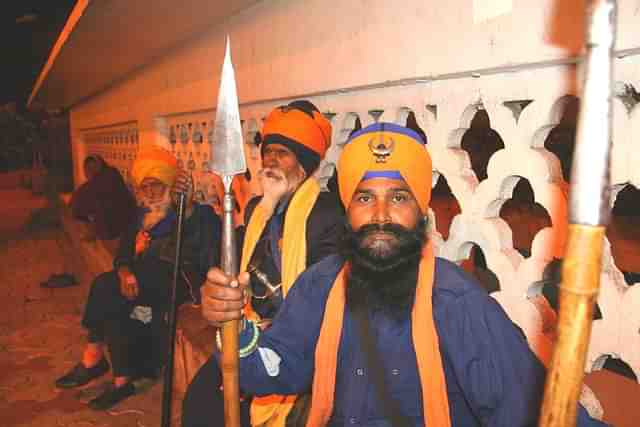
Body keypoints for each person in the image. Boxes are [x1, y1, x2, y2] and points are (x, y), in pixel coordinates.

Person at [195, 123, 606, 426]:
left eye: (398, 197)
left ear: (420, 212)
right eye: (364, 197)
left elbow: (530, 407)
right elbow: (273, 367)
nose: (379, 215)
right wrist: (233, 328)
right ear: (348, 210)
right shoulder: (320, 285)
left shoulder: (456, 302)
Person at [182, 100, 344, 427]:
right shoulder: (258, 208)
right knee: (199, 400)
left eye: (282, 153)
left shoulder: (328, 214)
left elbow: (323, 298)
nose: (270, 160)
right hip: (246, 327)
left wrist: (271, 331)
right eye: (267, 152)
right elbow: (229, 266)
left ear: (304, 163)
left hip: (298, 342)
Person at [54, 146, 221, 410]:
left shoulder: (196, 215)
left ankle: (93, 358)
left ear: (169, 184)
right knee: (114, 299)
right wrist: (125, 270)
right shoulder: (140, 217)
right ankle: (122, 380)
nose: (151, 193)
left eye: (157, 185)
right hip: (140, 281)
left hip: (176, 283)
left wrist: (185, 211)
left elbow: (208, 253)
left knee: (103, 286)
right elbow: (121, 255)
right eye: (145, 187)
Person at [41, 155, 136, 288]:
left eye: (91, 168)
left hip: (117, 230)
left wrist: (92, 227)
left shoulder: (107, 178)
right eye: (87, 169)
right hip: (118, 228)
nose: (89, 172)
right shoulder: (105, 178)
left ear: (99, 167)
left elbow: (78, 206)